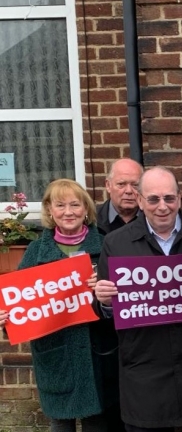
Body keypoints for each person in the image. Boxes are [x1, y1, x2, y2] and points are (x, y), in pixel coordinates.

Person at [93, 167, 182, 432]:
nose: (162, 207)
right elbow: (107, 312)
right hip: (145, 370)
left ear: (179, 198)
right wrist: (105, 302)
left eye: (169, 198)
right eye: (153, 199)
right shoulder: (115, 244)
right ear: (140, 201)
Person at [0, 179, 122, 432]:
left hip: (98, 352)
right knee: (60, 423)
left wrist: (104, 296)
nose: (69, 212)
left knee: (99, 423)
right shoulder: (35, 252)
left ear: (86, 210)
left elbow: (121, 303)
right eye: (60, 205)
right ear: (49, 211)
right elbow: (20, 305)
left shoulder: (106, 245)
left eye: (75, 205)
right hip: (56, 355)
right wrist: (6, 320)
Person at [96, 158, 143, 235]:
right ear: (108, 185)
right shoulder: (92, 221)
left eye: (135, 185)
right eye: (121, 184)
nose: (129, 191)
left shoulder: (153, 219)